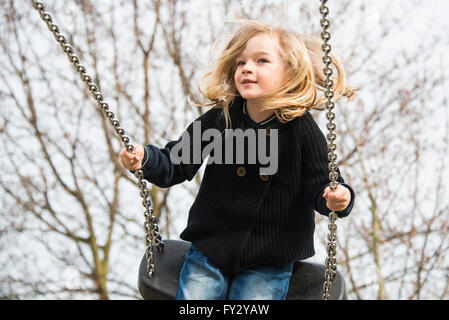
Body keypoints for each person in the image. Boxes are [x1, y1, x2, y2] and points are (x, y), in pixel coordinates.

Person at [120, 20, 357, 300]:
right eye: (241, 62)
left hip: (270, 256)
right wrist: (145, 158)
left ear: (289, 73)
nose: (247, 68)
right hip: (211, 247)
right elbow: (176, 162)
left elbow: (323, 184)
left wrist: (338, 197)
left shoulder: (301, 129)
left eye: (262, 61)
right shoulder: (221, 119)